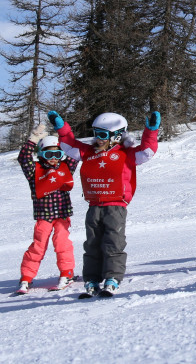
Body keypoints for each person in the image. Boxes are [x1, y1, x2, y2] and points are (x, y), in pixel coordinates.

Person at [47, 109, 159, 296]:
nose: (97, 139)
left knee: (113, 242)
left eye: (102, 135)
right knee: (92, 244)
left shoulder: (127, 154)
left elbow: (147, 151)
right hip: (94, 205)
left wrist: (151, 131)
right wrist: (61, 128)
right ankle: (91, 279)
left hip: (116, 205)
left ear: (116, 136)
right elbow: (68, 145)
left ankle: (112, 277)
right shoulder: (89, 152)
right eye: (95, 134)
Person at [15, 126, 78, 293]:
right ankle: (26, 277)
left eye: (57, 154)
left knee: (62, 243)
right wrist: (33, 139)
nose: (53, 159)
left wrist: (65, 139)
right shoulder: (34, 171)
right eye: (49, 154)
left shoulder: (66, 168)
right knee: (38, 246)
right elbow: (23, 158)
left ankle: (67, 272)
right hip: (44, 216)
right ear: (41, 154)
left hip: (62, 216)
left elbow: (75, 154)